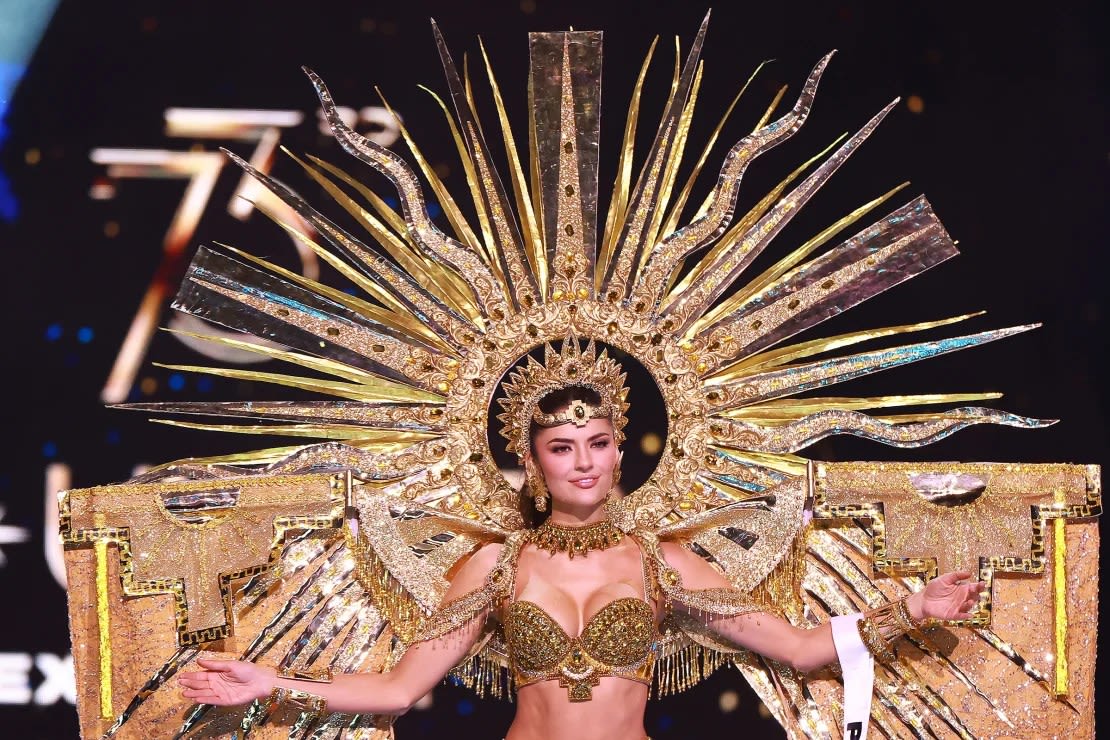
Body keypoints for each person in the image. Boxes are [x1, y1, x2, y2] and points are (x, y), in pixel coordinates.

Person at [179, 355, 986, 740]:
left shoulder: (661, 563)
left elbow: (802, 650)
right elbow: (397, 692)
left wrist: (912, 609)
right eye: (563, 449)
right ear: (531, 461)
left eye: (598, 443)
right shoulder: (494, 567)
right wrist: (271, 681)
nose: (585, 462)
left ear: (619, 453)